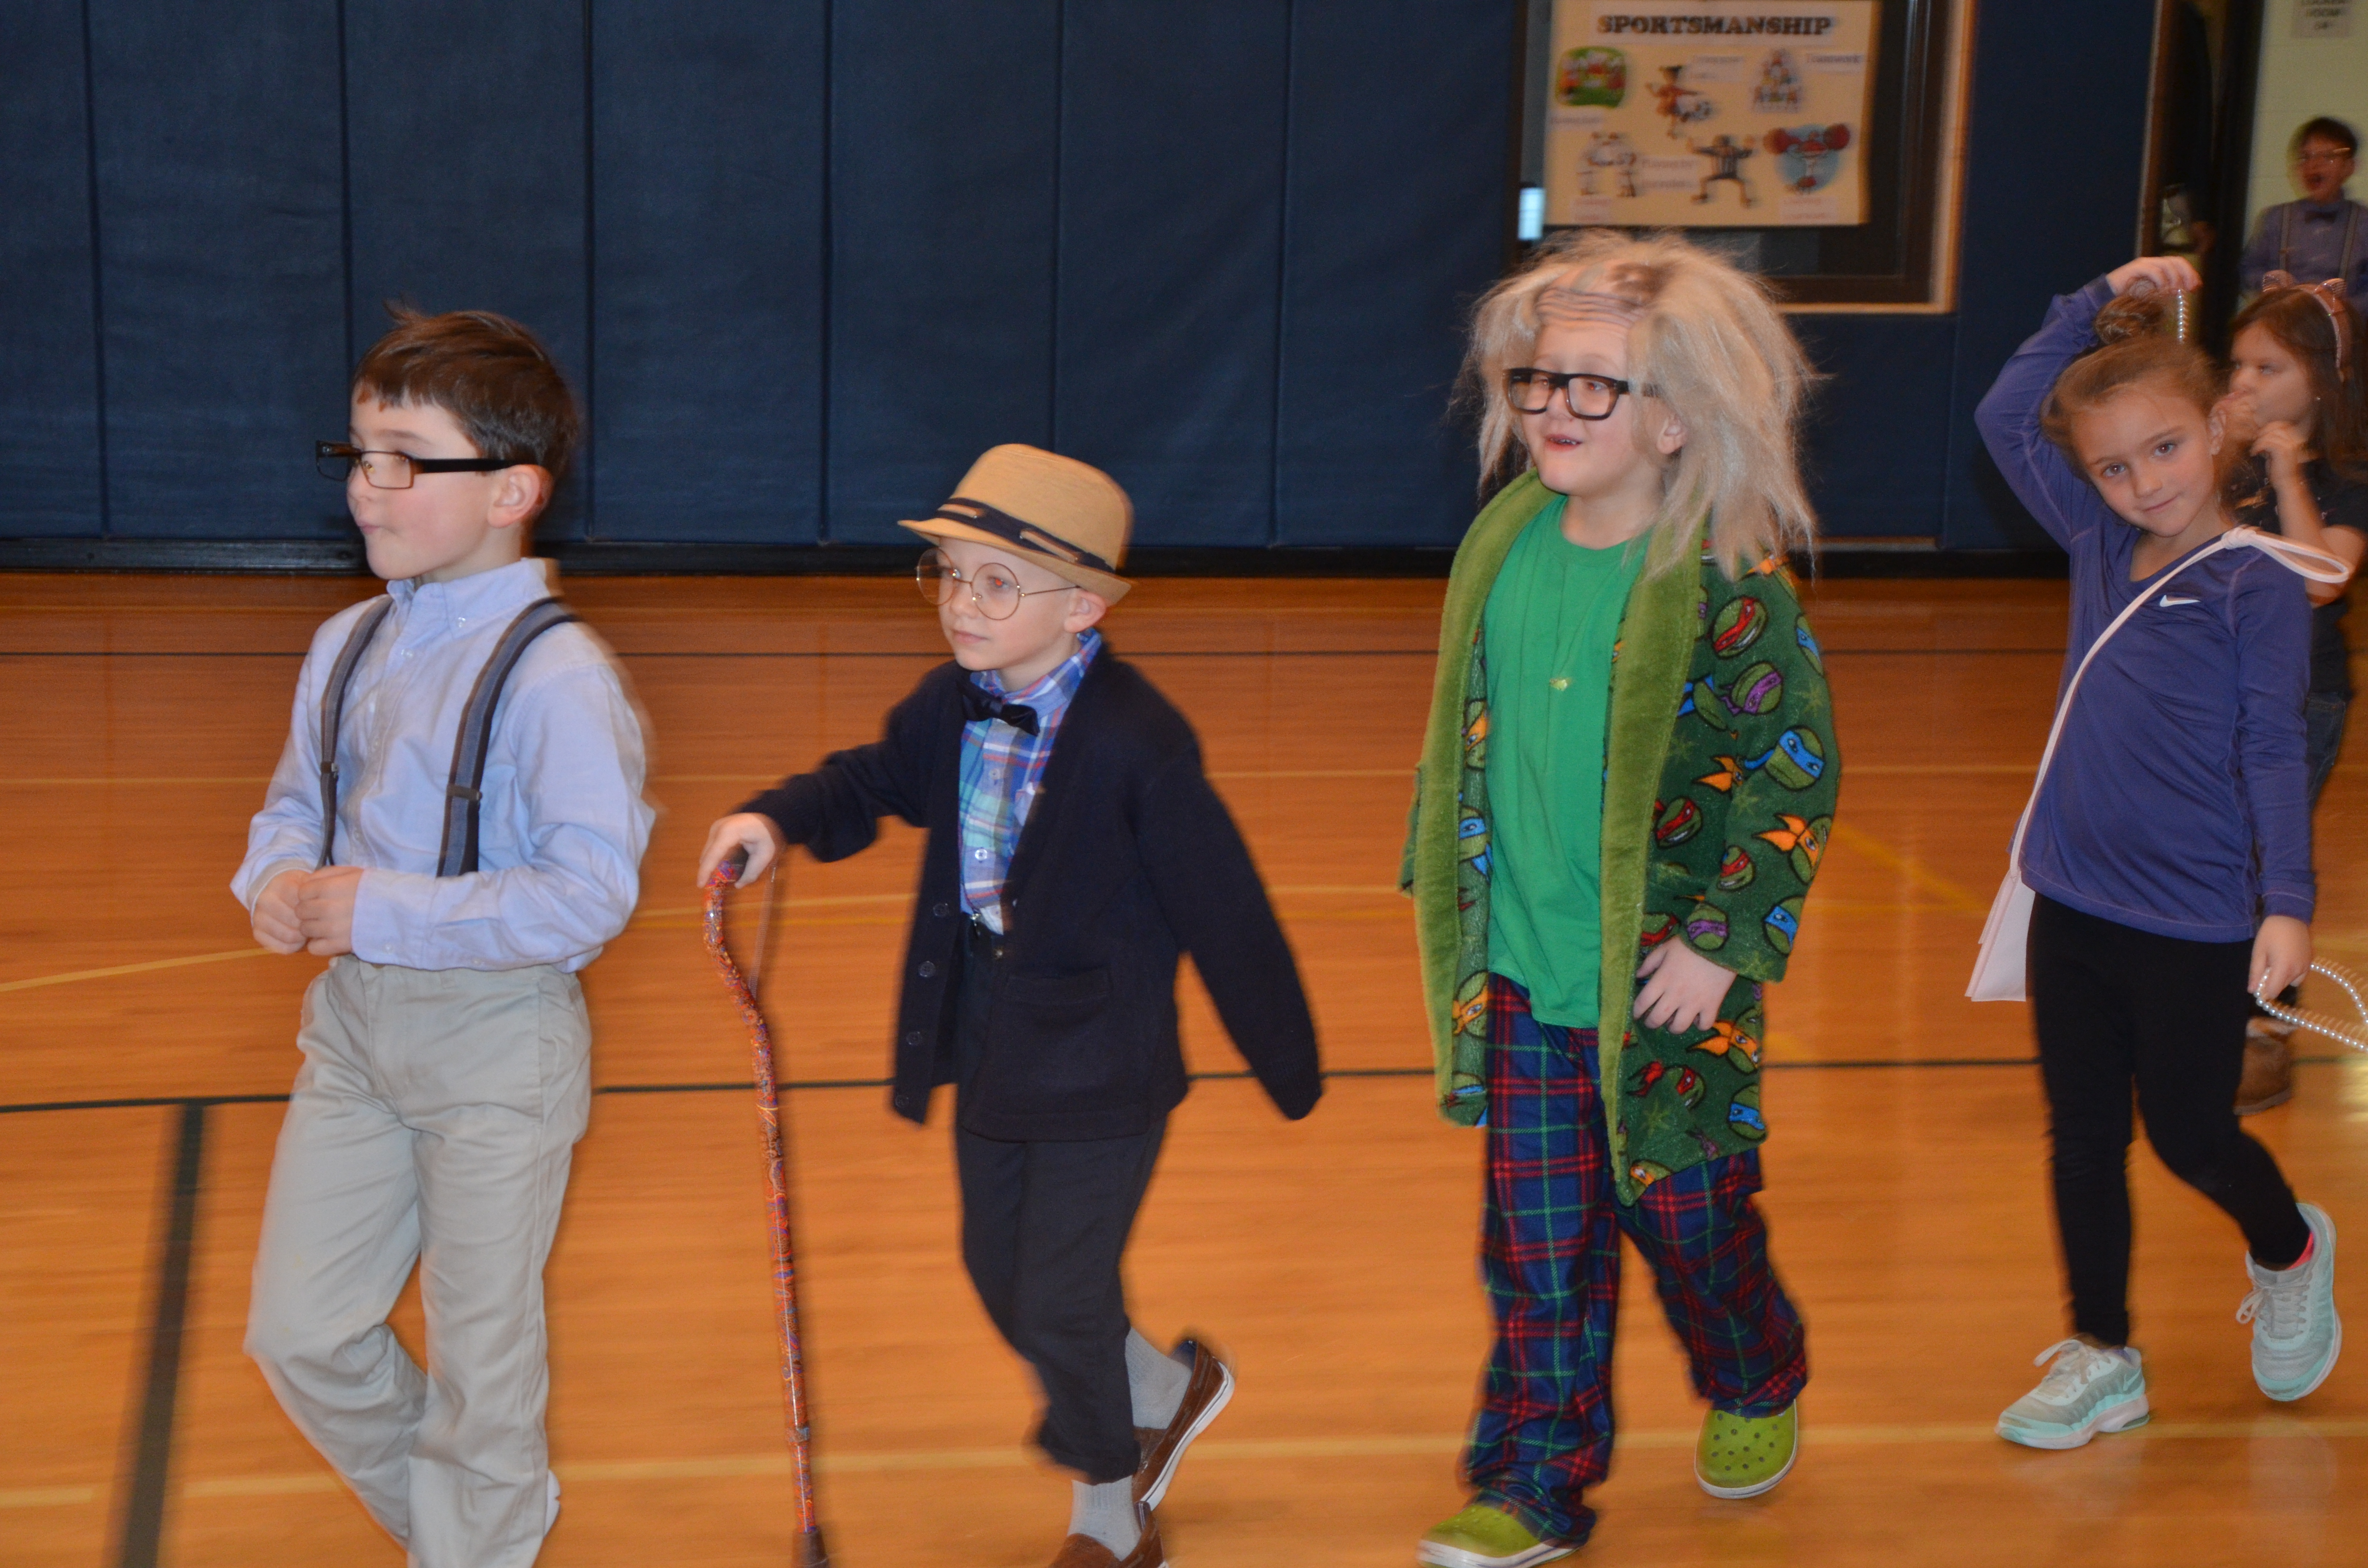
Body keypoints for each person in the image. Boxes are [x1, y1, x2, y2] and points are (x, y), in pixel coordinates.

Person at [697, 445, 1320, 1568]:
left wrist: (1287, 1060)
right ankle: (1161, 1384)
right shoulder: (951, 706)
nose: (961, 604)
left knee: (1056, 1294)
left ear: (1081, 606)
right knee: (1002, 1275)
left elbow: (1224, 907)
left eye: (997, 581)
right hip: (990, 1041)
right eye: (949, 572)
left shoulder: (1141, 742)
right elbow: (873, 778)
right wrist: (774, 819)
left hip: (1105, 1063)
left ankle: (1108, 1499)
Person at [1403, 232, 1838, 1567]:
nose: (1552, 410)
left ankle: (1756, 1361)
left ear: (1677, 420)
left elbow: (1791, 771)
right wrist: (1440, 853)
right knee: (1537, 1251)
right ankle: (1533, 1480)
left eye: (1595, 387)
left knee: (1691, 1226)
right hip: (1532, 979)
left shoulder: (1724, 582)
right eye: (1538, 379)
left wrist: (1722, 941)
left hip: (1666, 991)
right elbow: (1463, 726)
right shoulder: (1504, 543)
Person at [234, 307, 654, 1567]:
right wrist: (274, 877)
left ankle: (477, 1542)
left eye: (407, 460)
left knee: (485, 1363)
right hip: (357, 1035)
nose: (371, 489)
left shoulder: (558, 675)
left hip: (497, 1046)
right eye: (361, 454)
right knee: (300, 1332)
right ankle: (474, 1534)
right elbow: (294, 802)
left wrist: (375, 905)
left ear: (512, 491)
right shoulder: (344, 642)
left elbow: (588, 895)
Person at [1973, 255, 2342, 1452]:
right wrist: (2090, 297)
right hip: (2071, 894)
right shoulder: (2093, 543)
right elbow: (2000, 411)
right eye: (2113, 466)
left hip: (2194, 918)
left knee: (2190, 1134)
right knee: (2080, 1134)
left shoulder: (2257, 583)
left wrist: (2287, 902)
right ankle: (2104, 1352)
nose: (2143, 484)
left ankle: (2289, 1246)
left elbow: (2274, 746)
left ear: (2219, 431)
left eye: (2166, 449)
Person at [2221, 273, 2368, 1112]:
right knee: (2211, 855)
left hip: (2298, 701)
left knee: (2263, 859)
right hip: (2216, 693)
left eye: (2265, 368)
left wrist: (2283, 474)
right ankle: (2206, 1009)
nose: (2241, 382)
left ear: (2317, 379)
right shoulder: (2221, 461)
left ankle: (2263, 1025)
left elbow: (2321, 575)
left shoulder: (2341, 476)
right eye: (2235, 365)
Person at [2240, 117, 2368, 316]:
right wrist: (2272, 285)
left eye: (2328, 157)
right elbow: (2247, 271)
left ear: (2349, 167)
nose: (2314, 166)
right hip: (2283, 327)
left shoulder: (2364, 222)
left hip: (2344, 332)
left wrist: (2344, 308)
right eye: (2306, 157)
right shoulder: (2274, 218)